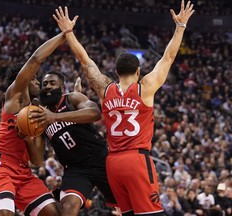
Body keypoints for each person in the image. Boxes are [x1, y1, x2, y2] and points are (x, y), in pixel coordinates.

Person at [52, 1, 195, 215]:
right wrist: (180, 26)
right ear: (138, 72)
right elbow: (168, 57)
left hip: (113, 163)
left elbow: (84, 60)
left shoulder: (104, 88)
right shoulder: (144, 88)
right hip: (136, 160)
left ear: (116, 72)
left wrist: (68, 32)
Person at [0, 32, 68, 216]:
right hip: (0, 165)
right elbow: (35, 59)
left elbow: (36, 161)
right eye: (35, 79)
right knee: (4, 214)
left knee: (53, 212)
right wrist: (64, 35)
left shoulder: (39, 115)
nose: (38, 82)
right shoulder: (15, 97)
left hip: (23, 171)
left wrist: (29, 140)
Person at [29, 71, 118, 216]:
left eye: (52, 83)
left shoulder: (71, 98)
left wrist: (56, 117)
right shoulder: (42, 118)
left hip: (101, 160)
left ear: (62, 88)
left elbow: (95, 113)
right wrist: (29, 138)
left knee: (125, 206)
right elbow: (37, 160)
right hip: (76, 169)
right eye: (45, 84)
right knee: (68, 208)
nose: (48, 87)